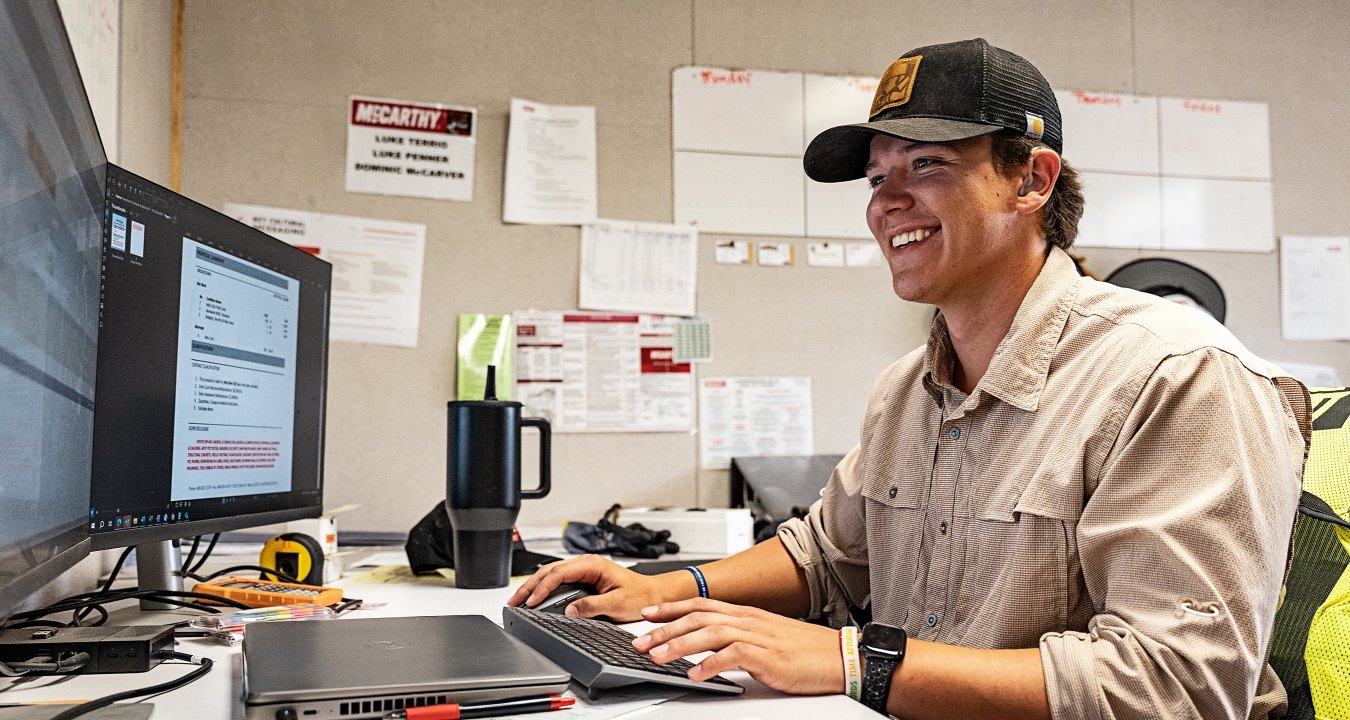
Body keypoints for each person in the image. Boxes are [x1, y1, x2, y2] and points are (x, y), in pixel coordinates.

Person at [508, 38, 1310, 720]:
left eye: (924, 164)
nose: (887, 202)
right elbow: (827, 558)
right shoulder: (906, 388)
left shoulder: (1176, 376)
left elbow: (1181, 686)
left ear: (1031, 180)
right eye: (875, 178)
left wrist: (859, 662)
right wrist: (663, 587)